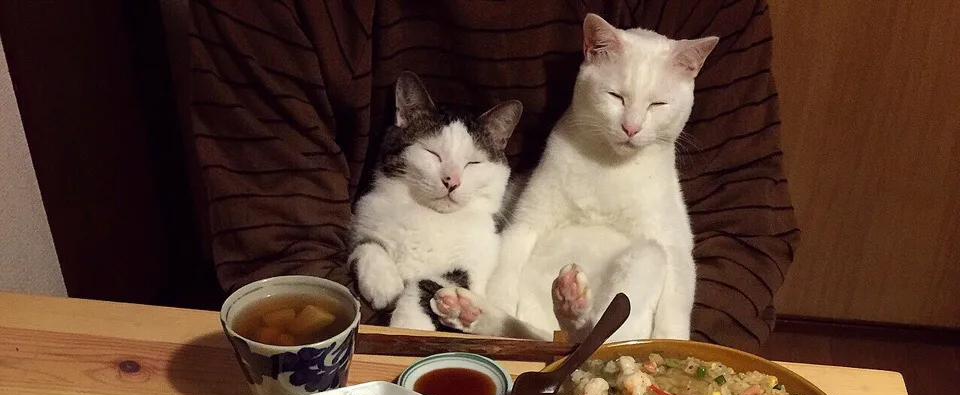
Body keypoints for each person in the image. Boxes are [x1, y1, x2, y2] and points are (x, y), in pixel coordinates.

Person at [186, 0, 798, 350]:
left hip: (615, 374)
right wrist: (431, 369)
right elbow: (277, 250)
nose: (634, 124)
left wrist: (646, 389)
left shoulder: (688, 20)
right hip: (386, 360)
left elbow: (743, 233)